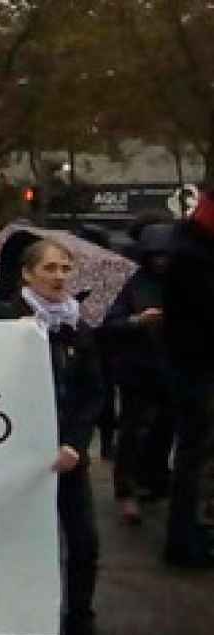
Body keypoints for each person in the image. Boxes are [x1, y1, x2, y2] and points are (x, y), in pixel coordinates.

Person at [3, 238, 126, 635]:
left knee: (84, 542)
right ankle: (7, 626)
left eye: (65, 269)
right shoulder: (6, 320)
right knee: (13, 543)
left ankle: (81, 634)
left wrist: (75, 442)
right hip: (17, 455)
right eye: (50, 269)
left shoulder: (78, 326)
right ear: (27, 274)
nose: (58, 277)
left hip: (68, 456)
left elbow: (93, 391)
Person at [101, 223, 175, 525]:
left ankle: (155, 480)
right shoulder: (127, 282)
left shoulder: (178, 280)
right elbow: (108, 323)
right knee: (132, 429)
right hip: (135, 367)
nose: (161, 261)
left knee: (165, 427)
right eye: (155, 255)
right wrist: (135, 321)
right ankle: (126, 488)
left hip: (169, 365)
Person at [162, 185, 214, 569]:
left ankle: (192, 532)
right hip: (196, 368)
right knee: (195, 455)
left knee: (195, 455)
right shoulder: (192, 256)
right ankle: (185, 538)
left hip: (192, 365)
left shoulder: (189, 248)